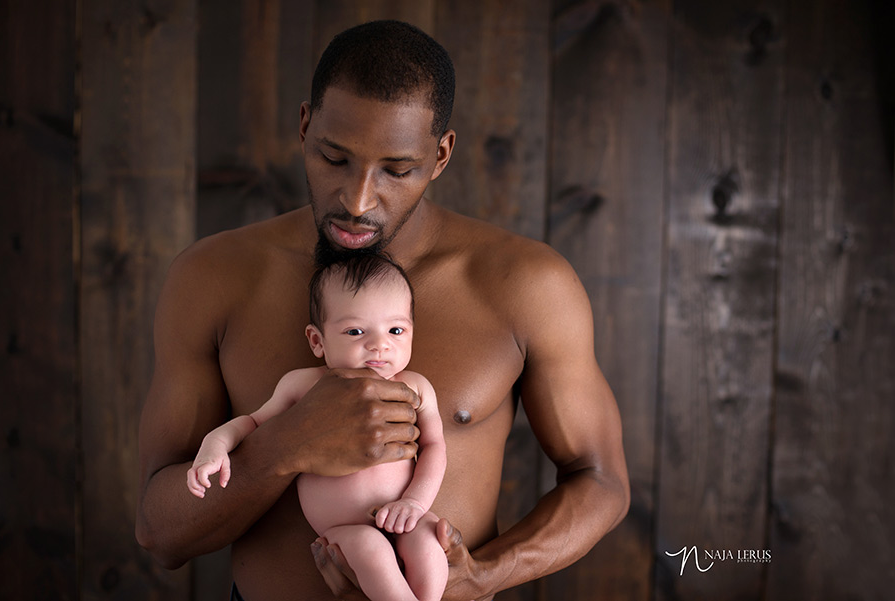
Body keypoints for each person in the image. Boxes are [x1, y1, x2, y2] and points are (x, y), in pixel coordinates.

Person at [136, 19, 630, 601]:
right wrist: (286, 444)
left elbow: (601, 481)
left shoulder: (526, 285)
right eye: (334, 158)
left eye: (396, 170)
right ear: (304, 127)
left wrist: (484, 578)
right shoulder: (213, 276)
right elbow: (160, 533)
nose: (358, 200)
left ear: (440, 155)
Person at [186, 254, 447, 601]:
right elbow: (253, 422)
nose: (379, 344)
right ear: (317, 341)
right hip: (345, 530)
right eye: (355, 331)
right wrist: (215, 443)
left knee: (429, 539)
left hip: (405, 512)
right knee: (371, 549)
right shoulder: (303, 385)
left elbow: (434, 446)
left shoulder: (415, 387)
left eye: (396, 330)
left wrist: (415, 502)